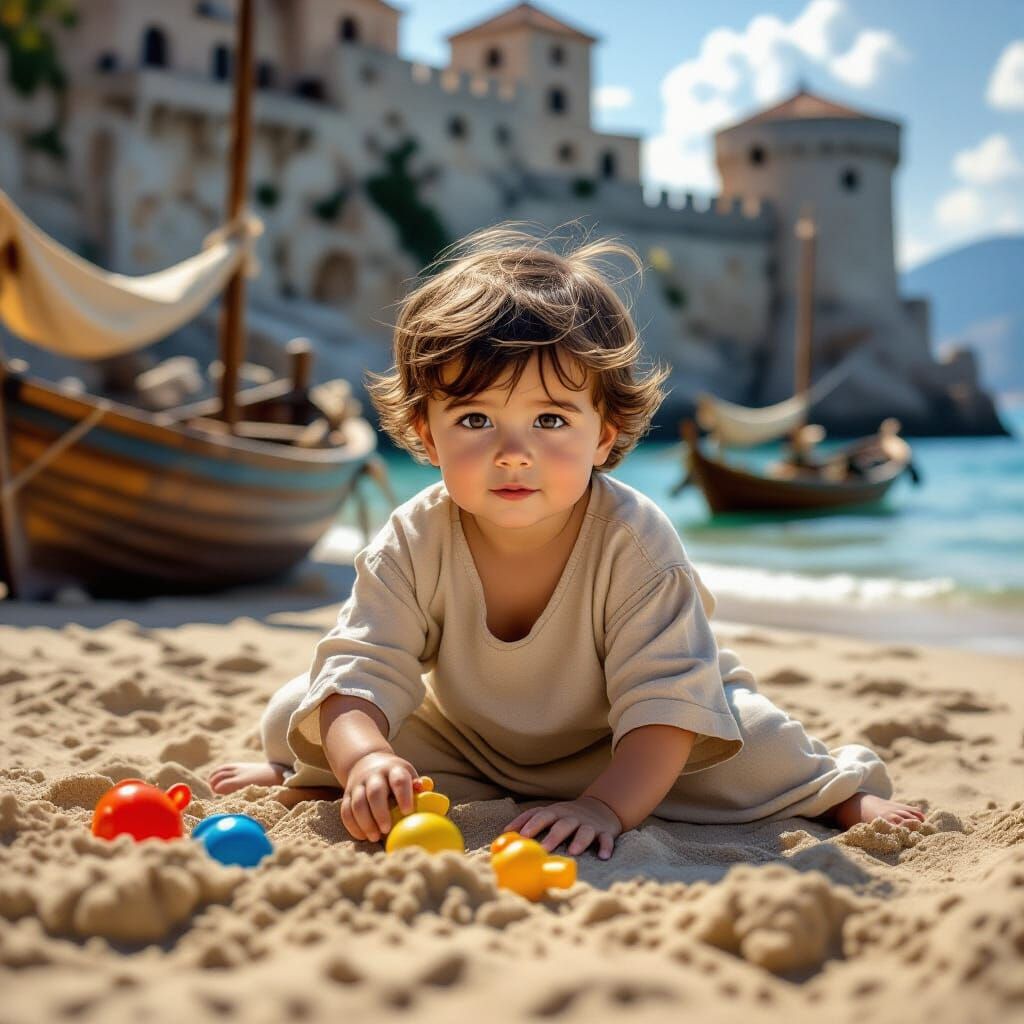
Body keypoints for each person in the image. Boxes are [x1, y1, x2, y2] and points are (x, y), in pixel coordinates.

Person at [209, 225, 925, 860]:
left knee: (757, 742)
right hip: (471, 740)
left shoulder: (634, 540)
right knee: (302, 710)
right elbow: (366, 664)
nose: (512, 453)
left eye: (550, 421)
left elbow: (669, 706)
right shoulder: (414, 536)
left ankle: (840, 792)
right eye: (475, 421)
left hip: (632, 741)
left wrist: (603, 807)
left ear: (604, 434)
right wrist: (364, 761)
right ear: (426, 434)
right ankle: (303, 770)